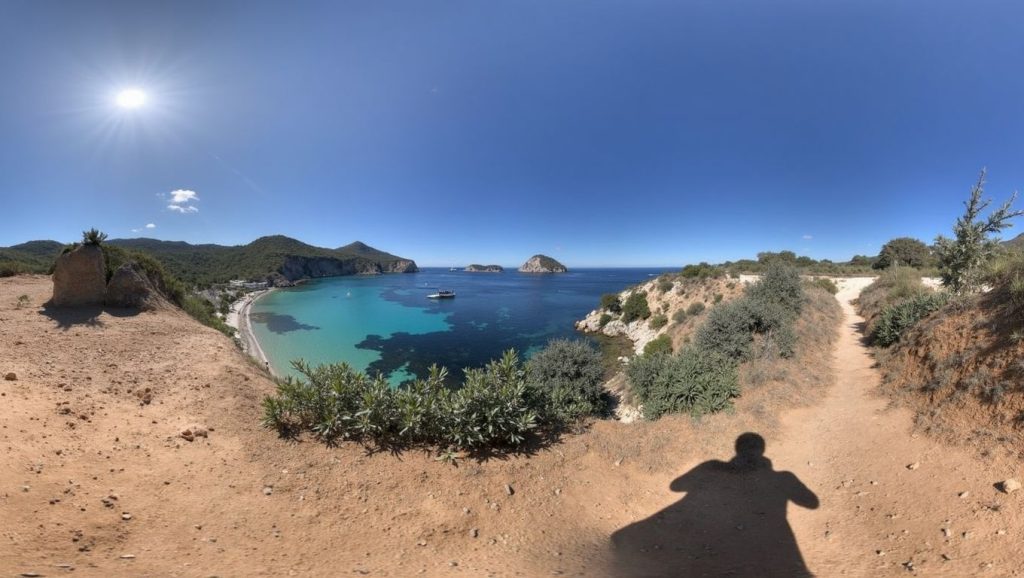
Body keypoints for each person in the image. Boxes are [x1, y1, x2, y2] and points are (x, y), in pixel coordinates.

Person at [611, 432, 818, 577]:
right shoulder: (784, 478)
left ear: (737, 449)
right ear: (761, 452)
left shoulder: (714, 467)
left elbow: (676, 486)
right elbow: (812, 503)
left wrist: (707, 473)